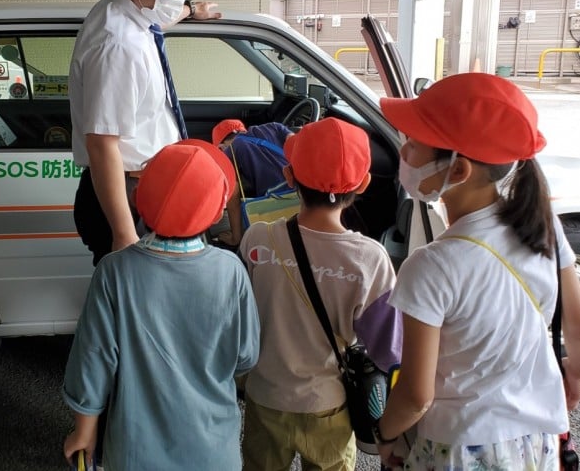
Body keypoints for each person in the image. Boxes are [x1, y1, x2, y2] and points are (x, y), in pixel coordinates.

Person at [373, 72, 580, 471]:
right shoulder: (543, 226)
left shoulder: (431, 266)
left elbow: (416, 396)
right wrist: (575, 381)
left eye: (414, 144)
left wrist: (385, 434)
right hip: (537, 444)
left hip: (460, 448)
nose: (403, 151)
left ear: (459, 171)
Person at [62, 141, 261, 471]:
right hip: (214, 453)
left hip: (135, 454)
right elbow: (246, 356)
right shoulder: (231, 271)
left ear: (137, 199)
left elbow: (92, 360)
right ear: (216, 212)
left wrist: (84, 431)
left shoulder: (114, 271)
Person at [239, 117, 402, 471]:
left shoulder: (257, 239)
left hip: (265, 395)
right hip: (327, 404)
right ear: (364, 183)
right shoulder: (370, 259)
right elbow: (388, 350)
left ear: (289, 176)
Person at [69, 0, 222, 266]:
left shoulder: (127, 14)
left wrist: (189, 10)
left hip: (141, 187)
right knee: (136, 291)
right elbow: (102, 143)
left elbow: (154, 23)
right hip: (129, 196)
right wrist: (124, 234)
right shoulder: (117, 45)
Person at [212, 118, 293, 247]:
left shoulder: (229, 151)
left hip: (278, 203)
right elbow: (297, 144)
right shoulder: (275, 126)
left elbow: (233, 196)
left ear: (221, 147)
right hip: (304, 191)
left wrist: (236, 238)